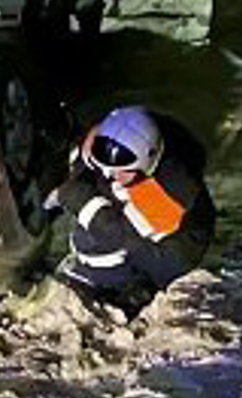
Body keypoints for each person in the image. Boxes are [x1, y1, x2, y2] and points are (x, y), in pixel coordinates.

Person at [49, 105, 215, 318]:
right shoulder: (137, 131)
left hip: (171, 245)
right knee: (93, 196)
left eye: (120, 170)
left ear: (148, 160)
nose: (108, 173)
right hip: (143, 199)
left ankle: (124, 287)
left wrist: (79, 200)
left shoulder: (173, 196)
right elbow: (100, 145)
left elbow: (119, 235)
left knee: (100, 237)